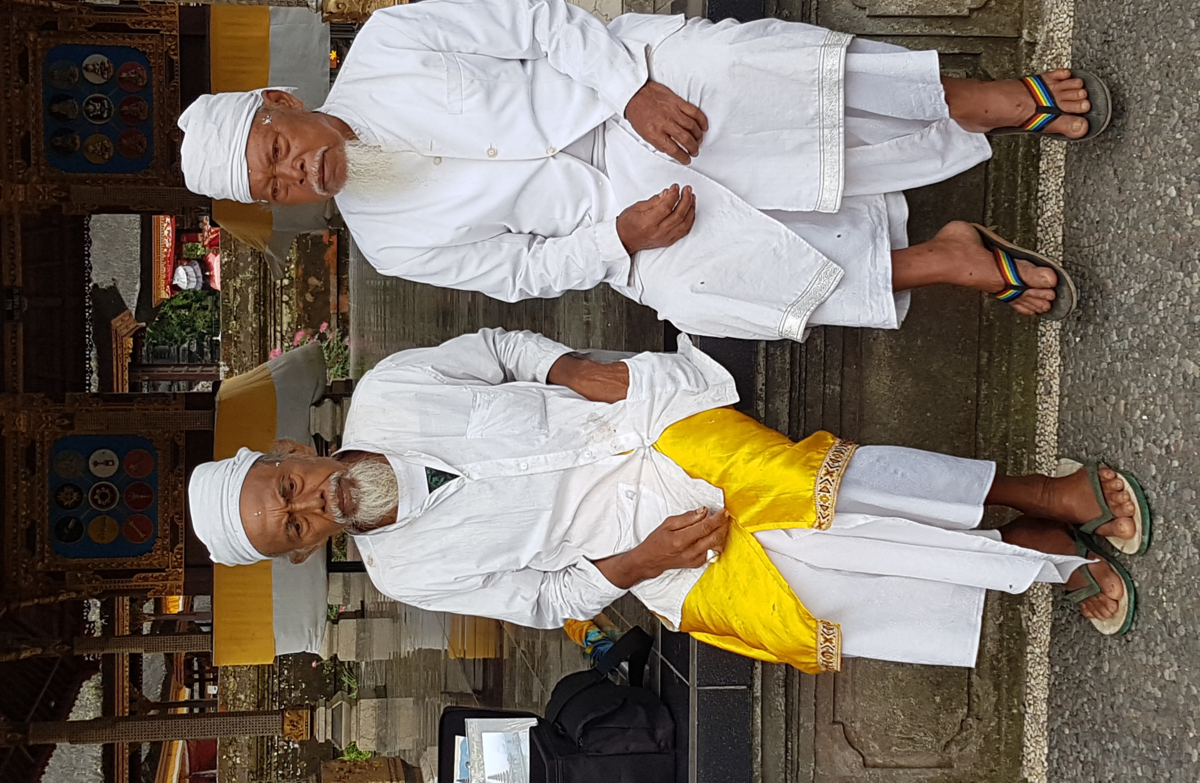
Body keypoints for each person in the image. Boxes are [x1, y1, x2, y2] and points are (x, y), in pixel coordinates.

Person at [188, 329, 1147, 673]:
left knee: (821, 485)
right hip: (638, 551)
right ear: (303, 551)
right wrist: (649, 559)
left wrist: (573, 369)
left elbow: (501, 351)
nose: (312, 504)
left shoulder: (389, 390)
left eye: (289, 487)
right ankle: (1032, 563)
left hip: (642, 429)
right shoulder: (405, 572)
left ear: (290, 452)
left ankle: (1039, 493)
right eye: (295, 527)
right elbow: (546, 599)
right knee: (810, 595)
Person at [177, 0, 1107, 341]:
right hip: (609, 219)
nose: (295, 177)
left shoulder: (388, 42)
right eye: (274, 189)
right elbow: (518, 272)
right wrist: (615, 239)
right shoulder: (387, 241)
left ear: (281, 101)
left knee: (740, 73)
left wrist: (631, 93)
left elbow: (535, 23)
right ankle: (944, 257)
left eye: (277, 151)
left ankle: (988, 101)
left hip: (618, 86)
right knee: (706, 291)